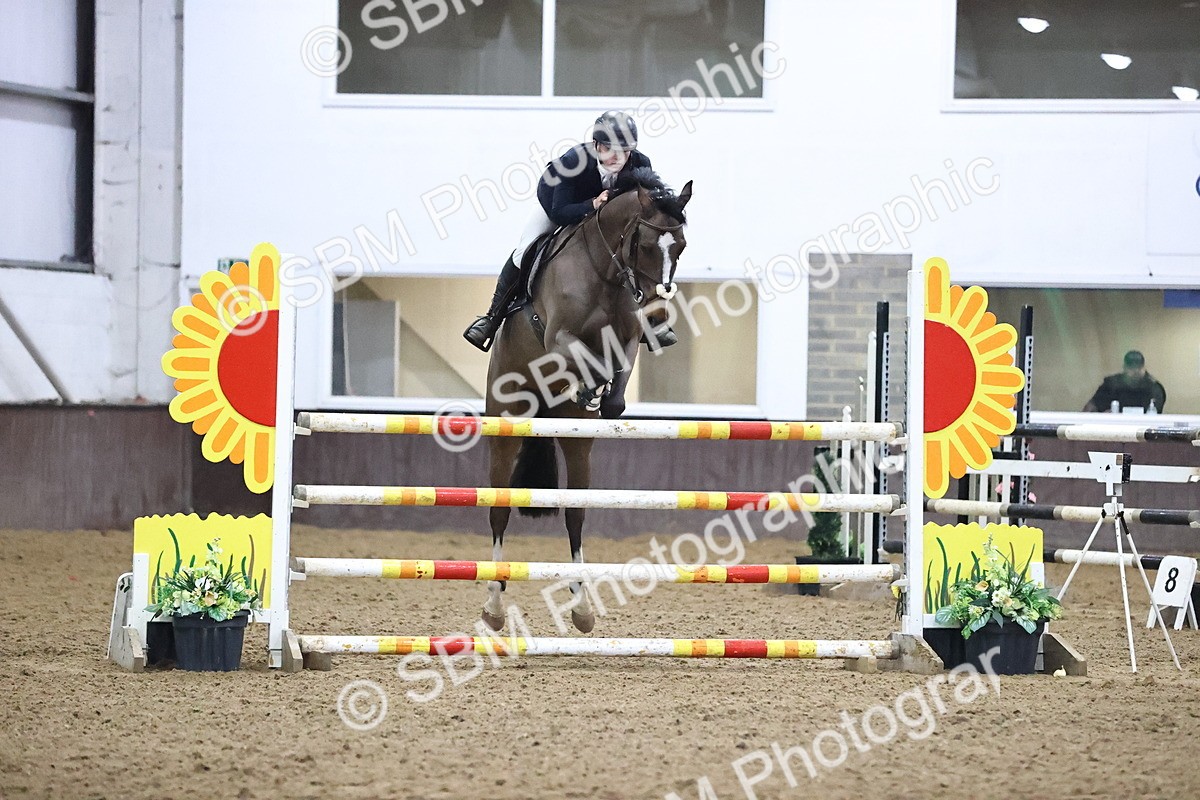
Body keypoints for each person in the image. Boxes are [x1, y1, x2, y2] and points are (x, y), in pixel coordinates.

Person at [463, 111, 673, 352]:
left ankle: (651, 321)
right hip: (560, 203)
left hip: (605, 215)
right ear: (596, 146)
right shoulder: (573, 162)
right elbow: (559, 211)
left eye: (625, 150)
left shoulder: (641, 163)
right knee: (525, 249)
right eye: (610, 149)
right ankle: (492, 318)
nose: (618, 157)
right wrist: (591, 205)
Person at [1083, 350, 1167, 413]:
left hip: (1144, 431)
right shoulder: (1111, 385)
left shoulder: (1154, 388)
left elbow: (1155, 417)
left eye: (1139, 367)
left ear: (1144, 367)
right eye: (1132, 367)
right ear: (1124, 368)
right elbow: (1090, 408)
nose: (1135, 371)